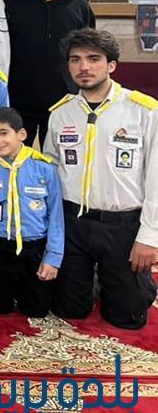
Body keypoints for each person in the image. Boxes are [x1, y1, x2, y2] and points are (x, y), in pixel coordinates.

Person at [44, 29, 157, 330]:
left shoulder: (143, 111)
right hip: (73, 223)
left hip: (122, 226)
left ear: (111, 65)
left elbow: (156, 178)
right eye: (75, 60)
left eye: (94, 59)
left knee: (127, 318)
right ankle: (92, 277)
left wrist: (149, 237)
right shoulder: (61, 113)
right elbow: (50, 170)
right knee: (69, 309)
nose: (84, 67)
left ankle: (129, 281)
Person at [0, 107, 64, 318]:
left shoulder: (45, 168)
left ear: (21, 134)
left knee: (37, 310)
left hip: (34, 248)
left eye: (3, 133)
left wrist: (53, 258)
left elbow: (56, 217)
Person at [5, 0, 95, 145]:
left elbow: (90, 51)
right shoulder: (10, 6)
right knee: (15, 158)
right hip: (17, 100)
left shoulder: (79, 7)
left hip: (64, 101)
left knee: (62, 159)